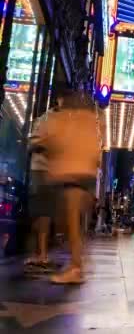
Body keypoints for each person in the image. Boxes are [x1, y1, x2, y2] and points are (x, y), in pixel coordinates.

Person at [34, 84, 100, 284]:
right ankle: (77, 263)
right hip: (84, 176)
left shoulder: (68, 120)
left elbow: (52, 142)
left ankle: (76, 267)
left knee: (70, 222)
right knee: (73, 224)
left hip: (72, 176)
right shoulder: (89, 122)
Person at [25, 109, 55, 272]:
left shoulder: (46, 120)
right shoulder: (44, 120)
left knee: (42, 213)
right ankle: (39, 253)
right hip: (41, 171)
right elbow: (32, 144)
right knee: (40, 213)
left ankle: (41, 254)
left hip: (46, 172)